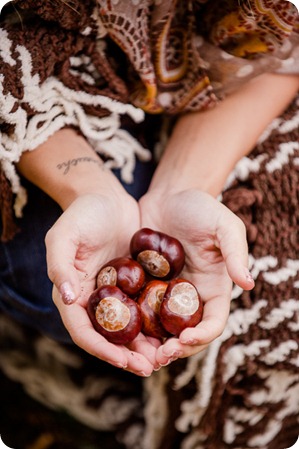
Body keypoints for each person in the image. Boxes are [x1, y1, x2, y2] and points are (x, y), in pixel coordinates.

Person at [0, 1, 298, 448]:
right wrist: (84, 188)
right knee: (45, 276)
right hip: (62, 91)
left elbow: (285, 54)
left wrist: (186, 184)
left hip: (214, 90)